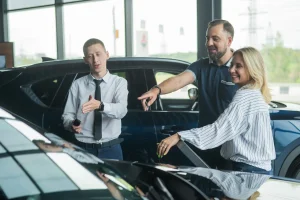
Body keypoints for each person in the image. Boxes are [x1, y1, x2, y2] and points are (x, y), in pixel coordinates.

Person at [157, 47, 276, 174]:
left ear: (252, 69)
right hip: (259, 169)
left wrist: (179, 136)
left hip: (248, 170)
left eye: (238, 66)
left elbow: (218, 131)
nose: (231, 70)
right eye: (232, 65)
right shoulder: (255, 93)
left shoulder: (245, 97)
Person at [138, 19, 238, 167]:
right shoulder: (200, 66)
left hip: (232, 146)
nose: (209, 43)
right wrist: (156, 90)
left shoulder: (240, 68)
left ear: (229, 41)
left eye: (215, 39)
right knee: (203, 186)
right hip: (206, 142)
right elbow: (179, 80)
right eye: (207, 38)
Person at [62, 38, 128, 160]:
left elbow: (121, 110)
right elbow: (67, 115)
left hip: (111, 149)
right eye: (90, 56)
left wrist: (100, 105)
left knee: (113, 180)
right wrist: (71, 124)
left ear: (107, 55)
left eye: (98, 54)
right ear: (85, 60)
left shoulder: (119, 83)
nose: (95, 60)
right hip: (83, 149)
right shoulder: (77, 85)